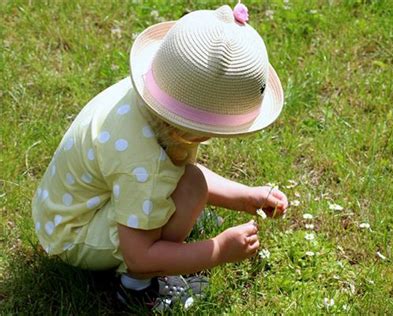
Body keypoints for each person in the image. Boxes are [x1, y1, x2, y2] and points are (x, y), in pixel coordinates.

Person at [32, 3, 288, 311]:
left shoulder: (152, 104)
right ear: (199, 129)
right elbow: (140, 256)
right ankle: (137, 289)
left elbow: (175, 169)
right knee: (190, 188)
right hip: (75, 237)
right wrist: (219, 249)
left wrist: (246, 197)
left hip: (62, 211)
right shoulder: (146, 163)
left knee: (188, 185)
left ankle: (168, 216)